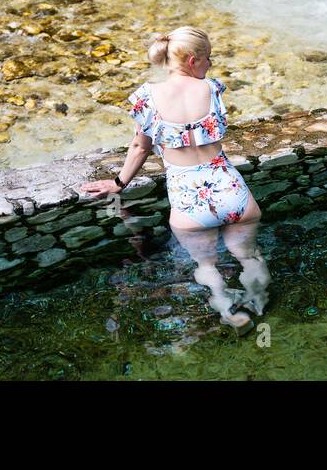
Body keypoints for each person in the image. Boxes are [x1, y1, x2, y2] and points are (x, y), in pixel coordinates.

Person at [81, 26, 269, 335]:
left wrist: (117, 184)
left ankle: (230, 313)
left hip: (189, 203)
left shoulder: (146, 97)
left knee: (207, 266)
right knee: (249, 256)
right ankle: (258, 302)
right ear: (193, 60)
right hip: (232, 192)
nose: (211, 64)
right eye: (208, 58)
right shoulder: (212, 88)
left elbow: (141, 146)